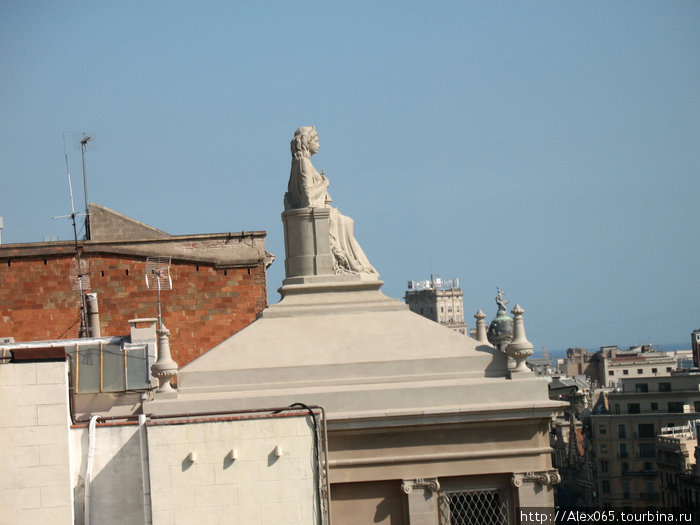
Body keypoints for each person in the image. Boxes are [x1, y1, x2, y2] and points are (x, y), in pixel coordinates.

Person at [285, 127, 377, 276]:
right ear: (307, 143)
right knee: (346, 222)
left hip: (317, 215)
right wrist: (325, 184)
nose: (318, 144)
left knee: (347, 222)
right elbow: (307, 195)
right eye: (316, 140)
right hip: (318, 217)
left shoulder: (298, 163)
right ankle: (356, 265)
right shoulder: (304, 163)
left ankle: (359, 265)